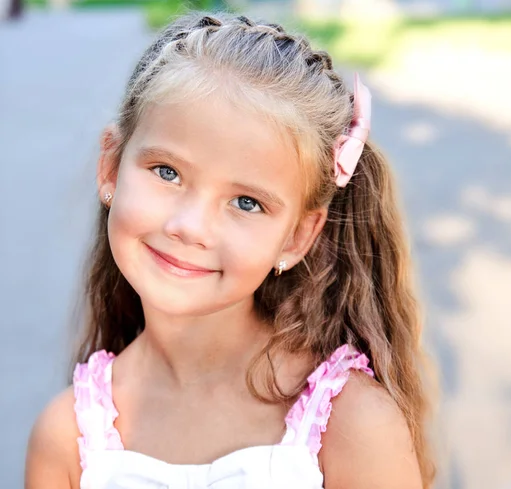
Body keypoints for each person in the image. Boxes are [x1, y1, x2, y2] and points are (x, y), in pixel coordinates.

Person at [24, 11, 435, 489]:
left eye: (246, 203)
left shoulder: (351, 424)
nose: (189, 227)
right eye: (167, 172)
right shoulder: (68, 439)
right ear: (111, 167)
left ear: (298, 236)